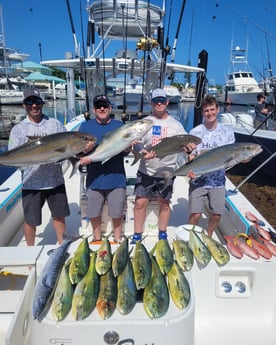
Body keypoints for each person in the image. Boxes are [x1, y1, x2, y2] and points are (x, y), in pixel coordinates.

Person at [132, 88, 196, 243]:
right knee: (140, 202)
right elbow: (136, 143)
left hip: (167, 172)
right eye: (156, 101)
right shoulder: (145, 123)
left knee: (165, 203)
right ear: (151, 103)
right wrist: (142, 152)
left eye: (162, 100)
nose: (159, 103)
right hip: (146, 169)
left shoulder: (176, 125)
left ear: (167, 102)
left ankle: (162, 233)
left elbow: (185, 146)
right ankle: (137, 234)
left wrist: (189, 150)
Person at [8, 86, 70, 245]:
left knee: (59, 215)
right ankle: (30, 249)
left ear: (42, 103)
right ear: (24, 105)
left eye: (37, 101)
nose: (34, 105)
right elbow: (12, 154)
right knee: (31, 220)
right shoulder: (18, 129)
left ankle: (61, 244)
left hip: (55, 180)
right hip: (31, 182)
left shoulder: (55, 124)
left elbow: (65, 147)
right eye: (30, 102)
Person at [79, 95, 127, 243]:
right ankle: (97, 238)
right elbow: (79, 152)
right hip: (94, 178)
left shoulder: (120, 126)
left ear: (110, 108)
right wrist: (85, 155)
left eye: (105, 106)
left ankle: (117, 238)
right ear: (93, 109)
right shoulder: (85, 127)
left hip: (116, 177)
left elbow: (125, 151)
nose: (102, 108)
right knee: (93, 212)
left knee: (117, 212)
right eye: (98, 106)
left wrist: (129, 146)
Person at [187, 95, 235, 237]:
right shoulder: (195, 132)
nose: (210, 113)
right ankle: (192, 237)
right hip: (198, 179)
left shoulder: (227, 133)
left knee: (216, 215)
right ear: (202, 112)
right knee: (195, 214)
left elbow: (232, 156)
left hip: (218, 181)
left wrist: (244, 159)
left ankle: (208, 236)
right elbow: (191, 157)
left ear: (218, 109)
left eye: (212, 109)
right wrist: (190, 163)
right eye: (206, 110)